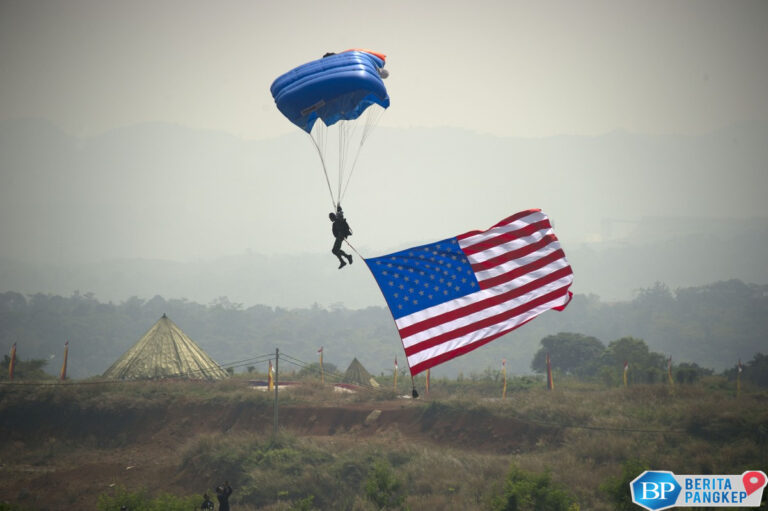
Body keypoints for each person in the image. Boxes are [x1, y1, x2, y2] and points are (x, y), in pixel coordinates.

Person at [329, 205, 353, 269]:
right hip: (339, 237)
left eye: (330, 218)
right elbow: (335, 233)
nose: (330, 219)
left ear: (332, 217)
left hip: (340, 236)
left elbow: (341, 215)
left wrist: (339, 210)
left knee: (334, 250)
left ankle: (344, 260)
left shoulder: (339, 219)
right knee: (335, 250)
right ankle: (346, 258)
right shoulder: (335, 223)